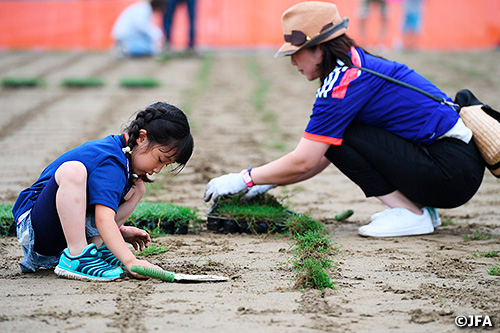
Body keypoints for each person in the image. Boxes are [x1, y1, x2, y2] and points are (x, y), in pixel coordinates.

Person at [203, 1, 485, 238]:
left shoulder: (343, 82)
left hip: (450, 171)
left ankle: (410, 213)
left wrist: (243, 179)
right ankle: (420, 209)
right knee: (339, 137)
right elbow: (324, 156)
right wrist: (267, 182)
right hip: (455, 168)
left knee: (342, 134)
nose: (293, 62)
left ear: (320, 47)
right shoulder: (354, 64)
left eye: (296, 52)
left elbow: (307, 159)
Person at [13, 102, 194, 280]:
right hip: (36, 228)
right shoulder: (112, 160)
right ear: (141, 137)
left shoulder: (123, 158)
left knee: (137, 188)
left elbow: (91, 204)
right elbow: (103, 218)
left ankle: (95, 248)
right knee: (73, 171)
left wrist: (120, 231)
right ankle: (76, 256)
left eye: (165, 165)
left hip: (59, 227)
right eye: (160, 159)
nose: (157, 170)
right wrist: (131, 261)